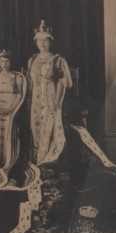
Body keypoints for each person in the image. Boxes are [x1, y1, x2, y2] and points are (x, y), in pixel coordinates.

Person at [26, 20, 73, 165]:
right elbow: (29, 82)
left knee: (49, 125)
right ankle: (35, 161)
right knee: (35, 127)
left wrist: (57, 101)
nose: (42, 44)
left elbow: (66, 83)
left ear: (50, 41)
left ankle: (47, 161)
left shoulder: (58, 60)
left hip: (50, 98)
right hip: (35, 100)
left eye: (45, 40)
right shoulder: (32, 60)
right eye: (39, 40)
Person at [0, 49, 27, 184]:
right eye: (2, 61)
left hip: (11, 110)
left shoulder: (16, 77)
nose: (4, 64)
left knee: (10, 136)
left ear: (11, 62)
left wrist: (12, 108)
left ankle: (9, 166)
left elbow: (20, 94)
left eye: (7, 61)